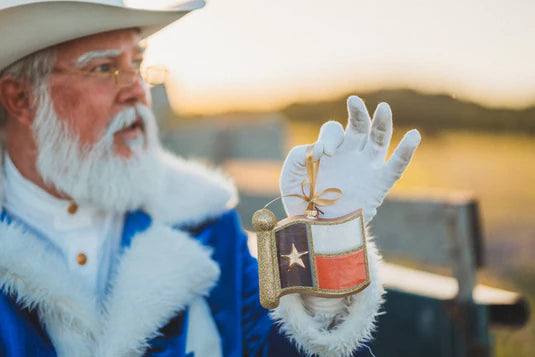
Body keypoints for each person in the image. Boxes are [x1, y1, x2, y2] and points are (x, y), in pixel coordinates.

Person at [0, 1, 421, 356]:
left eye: (138, 65)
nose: (136, 91)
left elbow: (280, 346)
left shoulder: (206, 226)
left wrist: (327, 235)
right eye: (105, 68)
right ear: (21, 98)